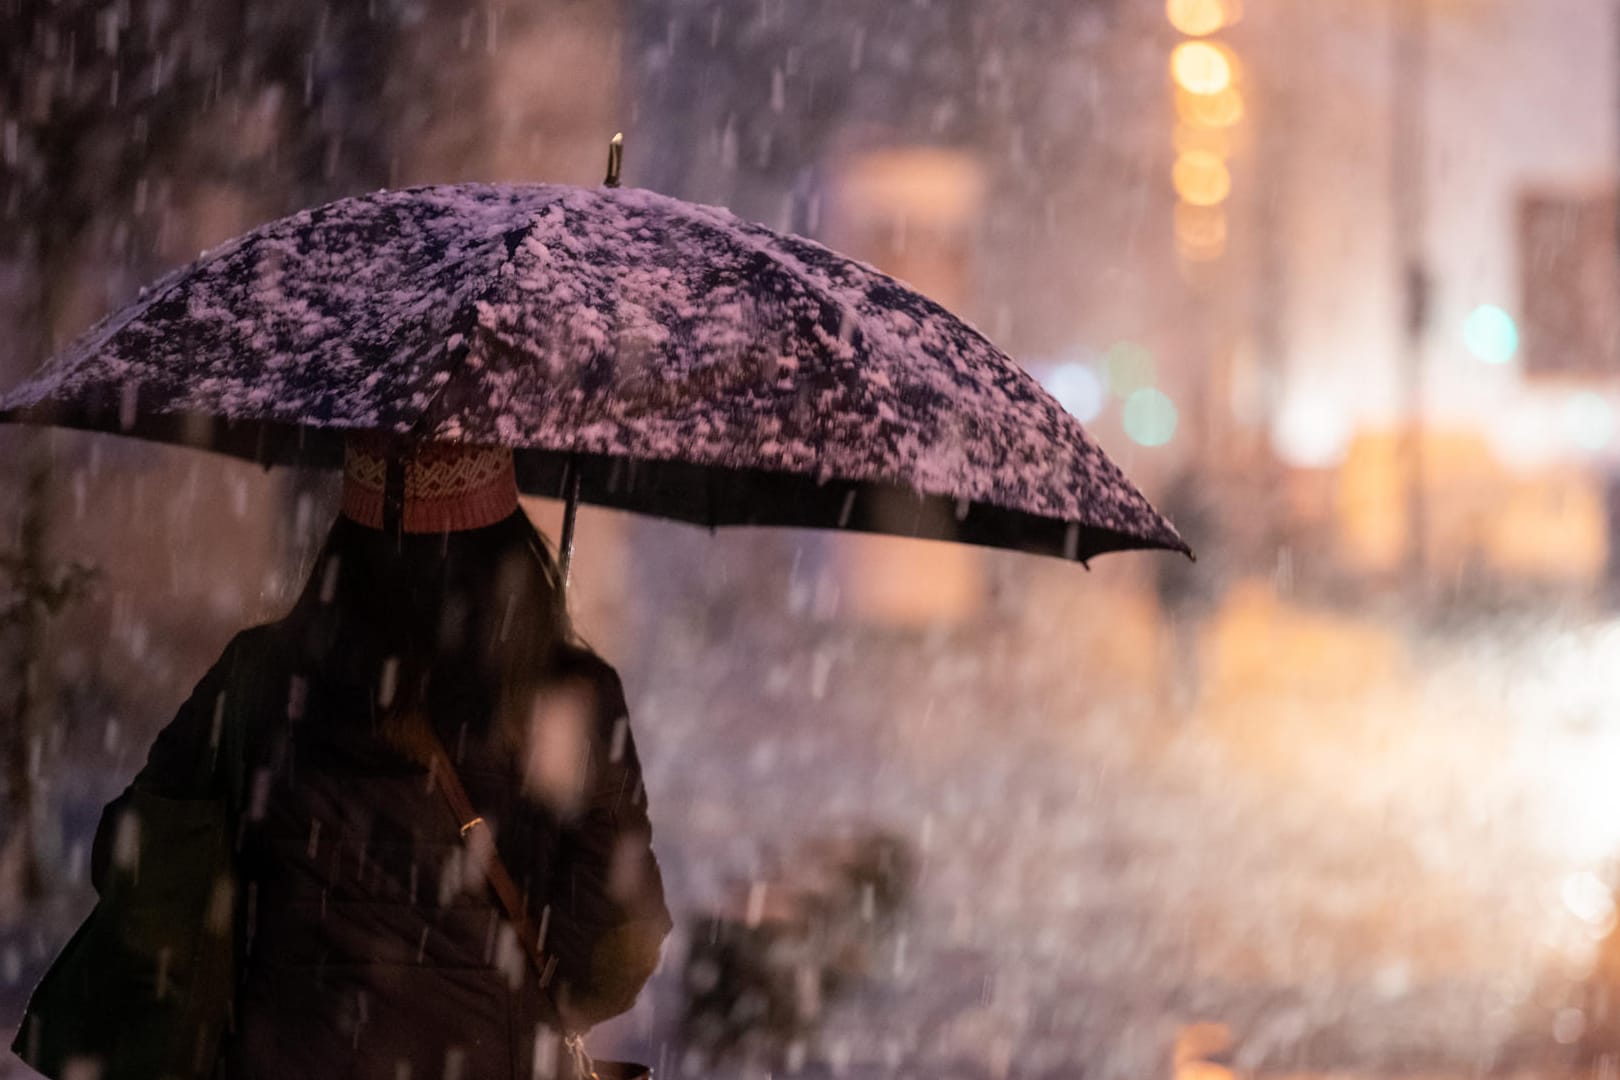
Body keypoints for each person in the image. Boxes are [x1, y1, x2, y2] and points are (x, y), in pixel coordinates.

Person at [73, 440, 670, 1079]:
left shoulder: (261, 676)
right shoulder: (567, 695)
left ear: (343, 537)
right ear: (508, 534)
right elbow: (615, 952)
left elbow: (139, 863)